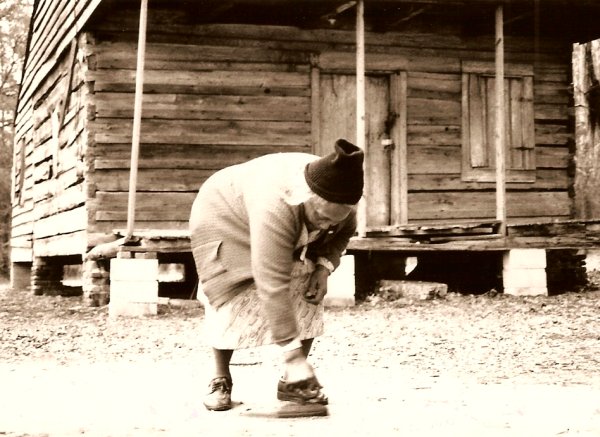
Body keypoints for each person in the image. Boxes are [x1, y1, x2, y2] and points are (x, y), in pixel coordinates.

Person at [189, 139, 364, 411]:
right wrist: (292, 355)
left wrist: (323, 268)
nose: (327, 225)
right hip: (224, 214)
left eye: (335, 219)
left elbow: (341, 235)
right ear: (306, 198)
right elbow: (270, 278)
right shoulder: (276, 203)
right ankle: (220, 378)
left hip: (275, 214)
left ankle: (293, 385)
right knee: (231, 292)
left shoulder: (341, 202)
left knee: (307, 283)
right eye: (321, 217)